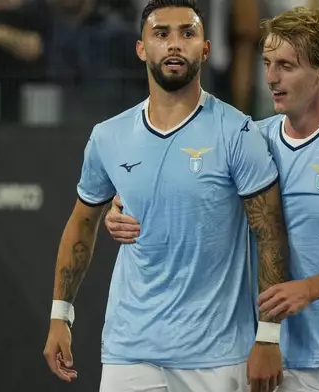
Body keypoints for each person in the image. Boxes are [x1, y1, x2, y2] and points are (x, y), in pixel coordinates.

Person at [105, 6, 319, 392]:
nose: (271, 78)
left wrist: (309, 289)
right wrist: (121, 208)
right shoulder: (250, 139)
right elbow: (181, 186)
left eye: (286, 65)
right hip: (287, 363)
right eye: (267, 63)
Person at [42, 1, 290, 391]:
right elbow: (82, 222)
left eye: (187, 33)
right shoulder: (108, 136)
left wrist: (269, 335)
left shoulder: (238, 132)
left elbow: (270, 232)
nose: (174, 44)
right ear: (142, 48)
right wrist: (60, 314)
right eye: (161, 34)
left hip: (217, 356)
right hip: (131, 352)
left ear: (205, 49)